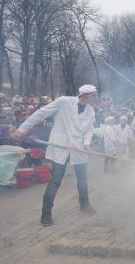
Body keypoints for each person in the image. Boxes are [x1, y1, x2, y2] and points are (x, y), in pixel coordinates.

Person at [13, 84, 98, 226]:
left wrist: (87, 142)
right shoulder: (64, 101)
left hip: (79, 148)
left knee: (82, 178)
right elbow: (40, 114)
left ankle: (85, 204)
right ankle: (46, 214)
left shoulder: (90, 111)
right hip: (61, 146)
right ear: (84, 95)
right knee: (55, 181)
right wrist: (22, 130)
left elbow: (90, 129)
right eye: (94, 95)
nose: (96, 98)